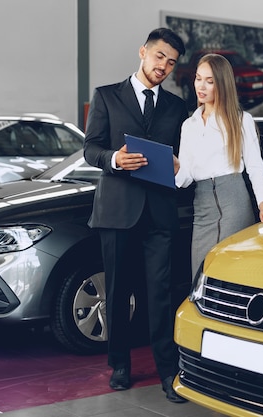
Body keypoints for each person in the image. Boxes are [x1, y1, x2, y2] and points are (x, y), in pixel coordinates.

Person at [83, 28, 189, 403]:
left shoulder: (177, 108)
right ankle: (120, 366)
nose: (164, 66)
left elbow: (184, 158)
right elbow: (90, 148)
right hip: (117, 211)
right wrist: (113, 159)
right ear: (143, 52)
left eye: (172, 62)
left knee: (160, 295)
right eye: (160, 57)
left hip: (159, 214)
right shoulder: (107, 96)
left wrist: (181, 165)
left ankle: (167, 372)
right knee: (118, 294)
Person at [175, 53, 263, 279]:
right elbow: (185, 178)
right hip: (202, 206)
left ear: (222, 84)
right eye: (198, 78)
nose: (200, 86)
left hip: (235, 202)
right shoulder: (189, 126)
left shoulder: (241, 120)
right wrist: (173, 165)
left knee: (235, 274)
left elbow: (255, 167)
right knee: (201, 275)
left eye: (210, 81)